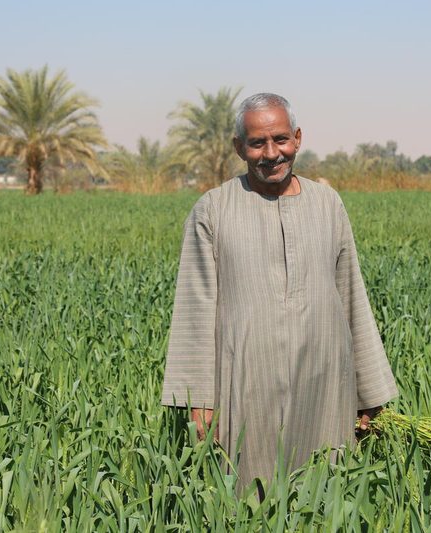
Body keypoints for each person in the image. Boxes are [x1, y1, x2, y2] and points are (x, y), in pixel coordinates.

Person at [161, 93, 397, 490]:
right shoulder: (213, 210)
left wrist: (369, 393)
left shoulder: (328, 205)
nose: (271, 153)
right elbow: (194, 309)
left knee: (326, 490)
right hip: (245, 384)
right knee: (246, 494)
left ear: (297, 138)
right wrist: (198, 402)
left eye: (281, 139)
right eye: (257, 143)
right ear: (239, 147)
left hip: (324, 382)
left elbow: (351, 296)